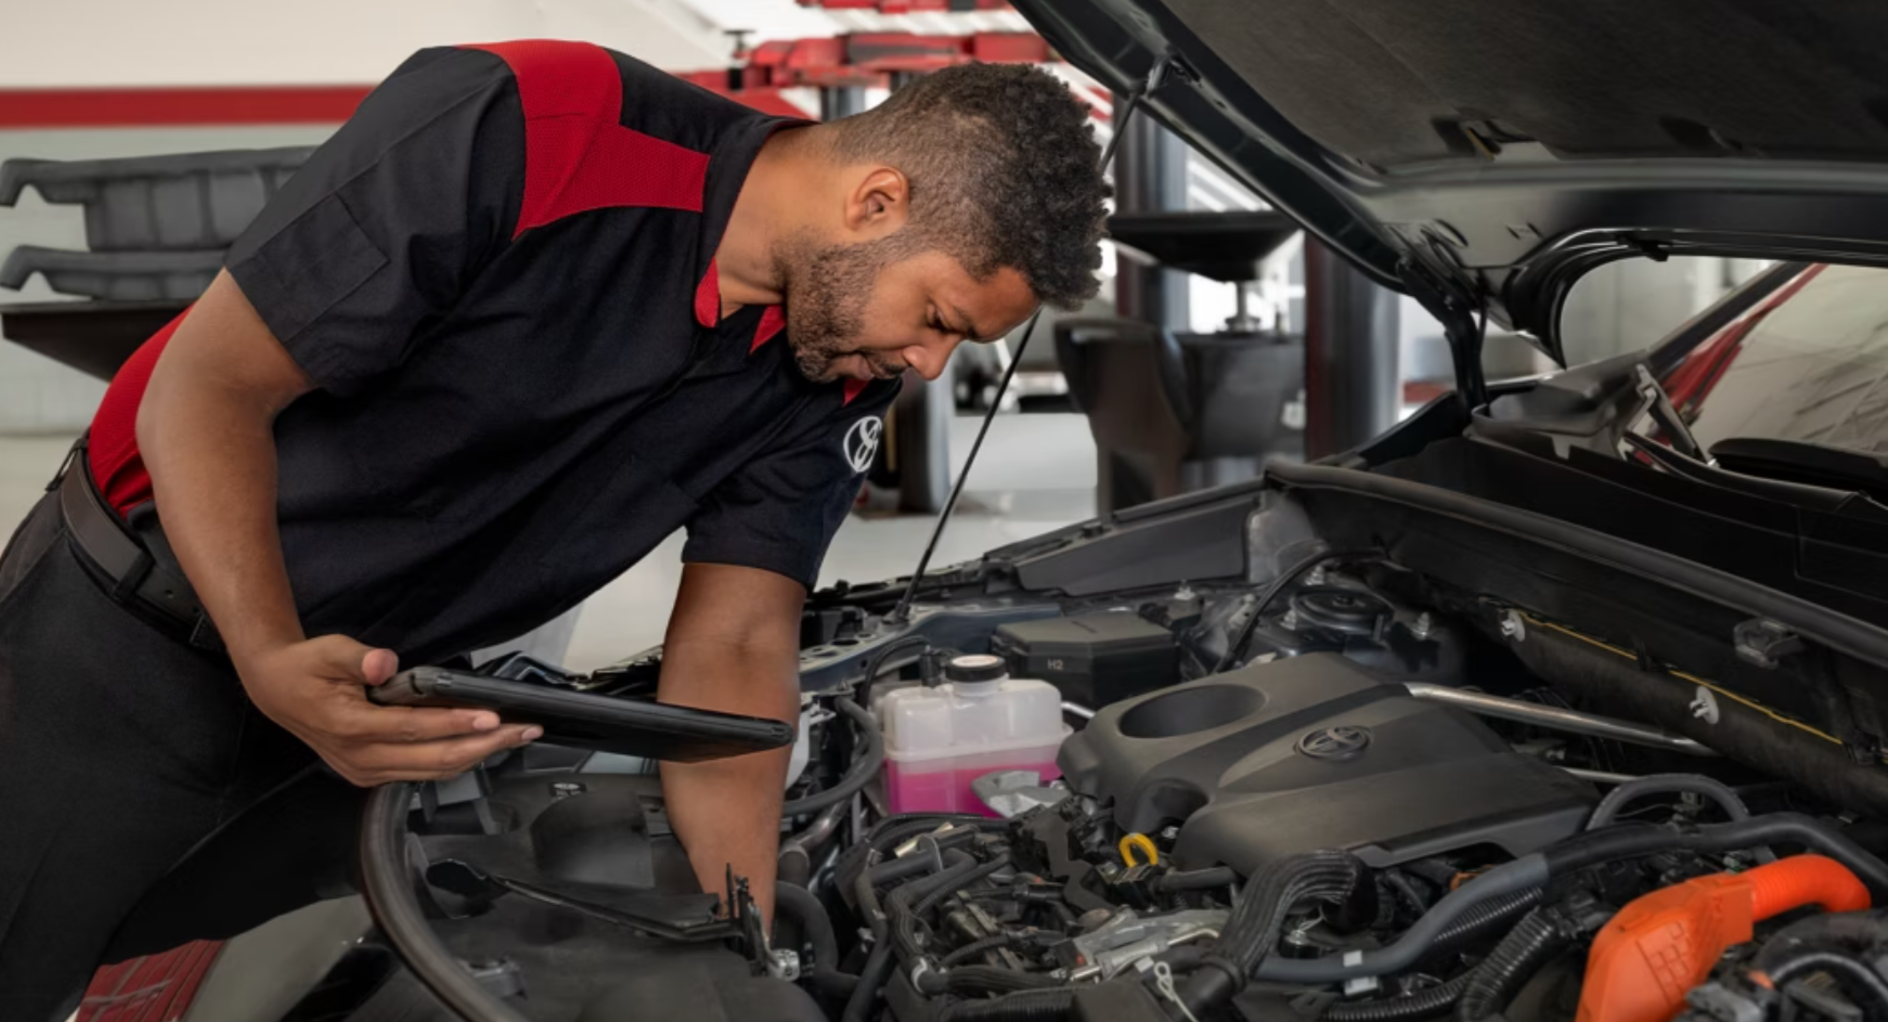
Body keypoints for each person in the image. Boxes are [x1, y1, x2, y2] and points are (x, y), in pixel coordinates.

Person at [0, 39, 1109, 1019]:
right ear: (874, 202)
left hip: (384, 702)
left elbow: (735, 643)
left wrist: (753, 947)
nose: (926, 365)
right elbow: (207, 386)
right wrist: (269, 653)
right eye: (936, 320)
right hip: (133, 641)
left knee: (305, 983)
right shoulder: (535, 130)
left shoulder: (830, 376)